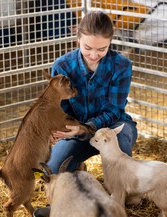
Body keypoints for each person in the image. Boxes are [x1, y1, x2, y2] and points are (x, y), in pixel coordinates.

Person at [47, 11, 137, 174]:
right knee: (52, 171)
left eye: (102, 49)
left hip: (114, 127)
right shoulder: (62, 66)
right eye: (87, 48)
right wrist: (63, 128)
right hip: (77, 130)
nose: (94, 55)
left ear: (110, 41)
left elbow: (114, 110)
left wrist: (86, 127)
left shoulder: (122, 65)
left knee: (123, 172)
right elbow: (60, 108)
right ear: (78, 38)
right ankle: (78, 167)